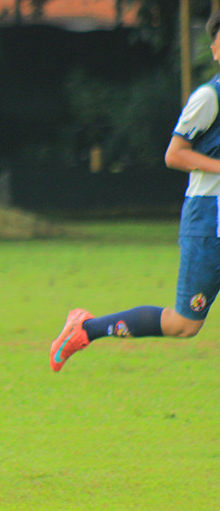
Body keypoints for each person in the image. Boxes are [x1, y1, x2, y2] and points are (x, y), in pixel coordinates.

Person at [50, 11, 220, 372]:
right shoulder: (209, 97)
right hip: (209, 221)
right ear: (215, 51)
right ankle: (86, 329)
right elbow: (174, 154)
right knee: (184, 324)